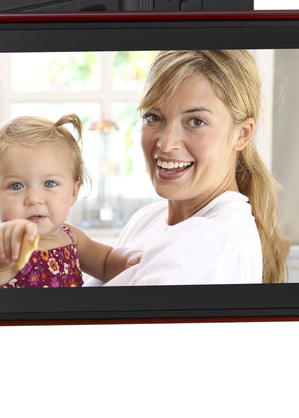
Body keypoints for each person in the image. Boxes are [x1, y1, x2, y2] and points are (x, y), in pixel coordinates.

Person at [103, 50, 289, 287]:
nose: (166, 143)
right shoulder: (147, 218)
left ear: (242, 134)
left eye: (196, 121)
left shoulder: (213, 239)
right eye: (153, 117)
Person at [0, 114, 141, 288]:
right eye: (16, 186)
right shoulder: (1, 244)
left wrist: (128, 260)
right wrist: (6, 237)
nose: (34, 199)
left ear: (74, 192)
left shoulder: (71, 237)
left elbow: (105, 263)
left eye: (49, 184)